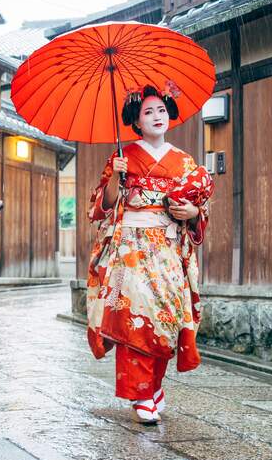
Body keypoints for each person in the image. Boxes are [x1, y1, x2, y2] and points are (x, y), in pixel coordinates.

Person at [86, 83, 213, 424]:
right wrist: (116, 177)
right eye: (148, 112)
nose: (157, 116)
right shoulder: (122, 157)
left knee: (166, 317)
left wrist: (192, 213)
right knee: (134, 315)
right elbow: (101, 207)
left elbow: (198, 209)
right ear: (136, 121)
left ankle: (154, 385)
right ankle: (140, 393)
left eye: (161, 110)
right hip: (131, 248)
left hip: (168, 248)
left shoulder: (184, 161)